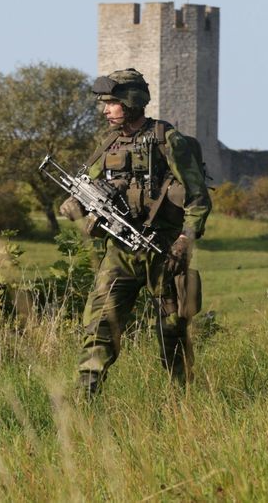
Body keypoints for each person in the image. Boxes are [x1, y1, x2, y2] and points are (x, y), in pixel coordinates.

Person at [60, 68, 211, 395]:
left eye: (112, 103)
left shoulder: (166, 139)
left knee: (173, 331)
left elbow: (198, 197)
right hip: (120, 252)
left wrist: (186, 239)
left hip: (165, 252)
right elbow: (88, 186)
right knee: (99, 326)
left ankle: (182, 402)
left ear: (130, 102)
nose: (105, 110)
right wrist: (75, 204)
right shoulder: (109, 143)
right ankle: (85, 401)